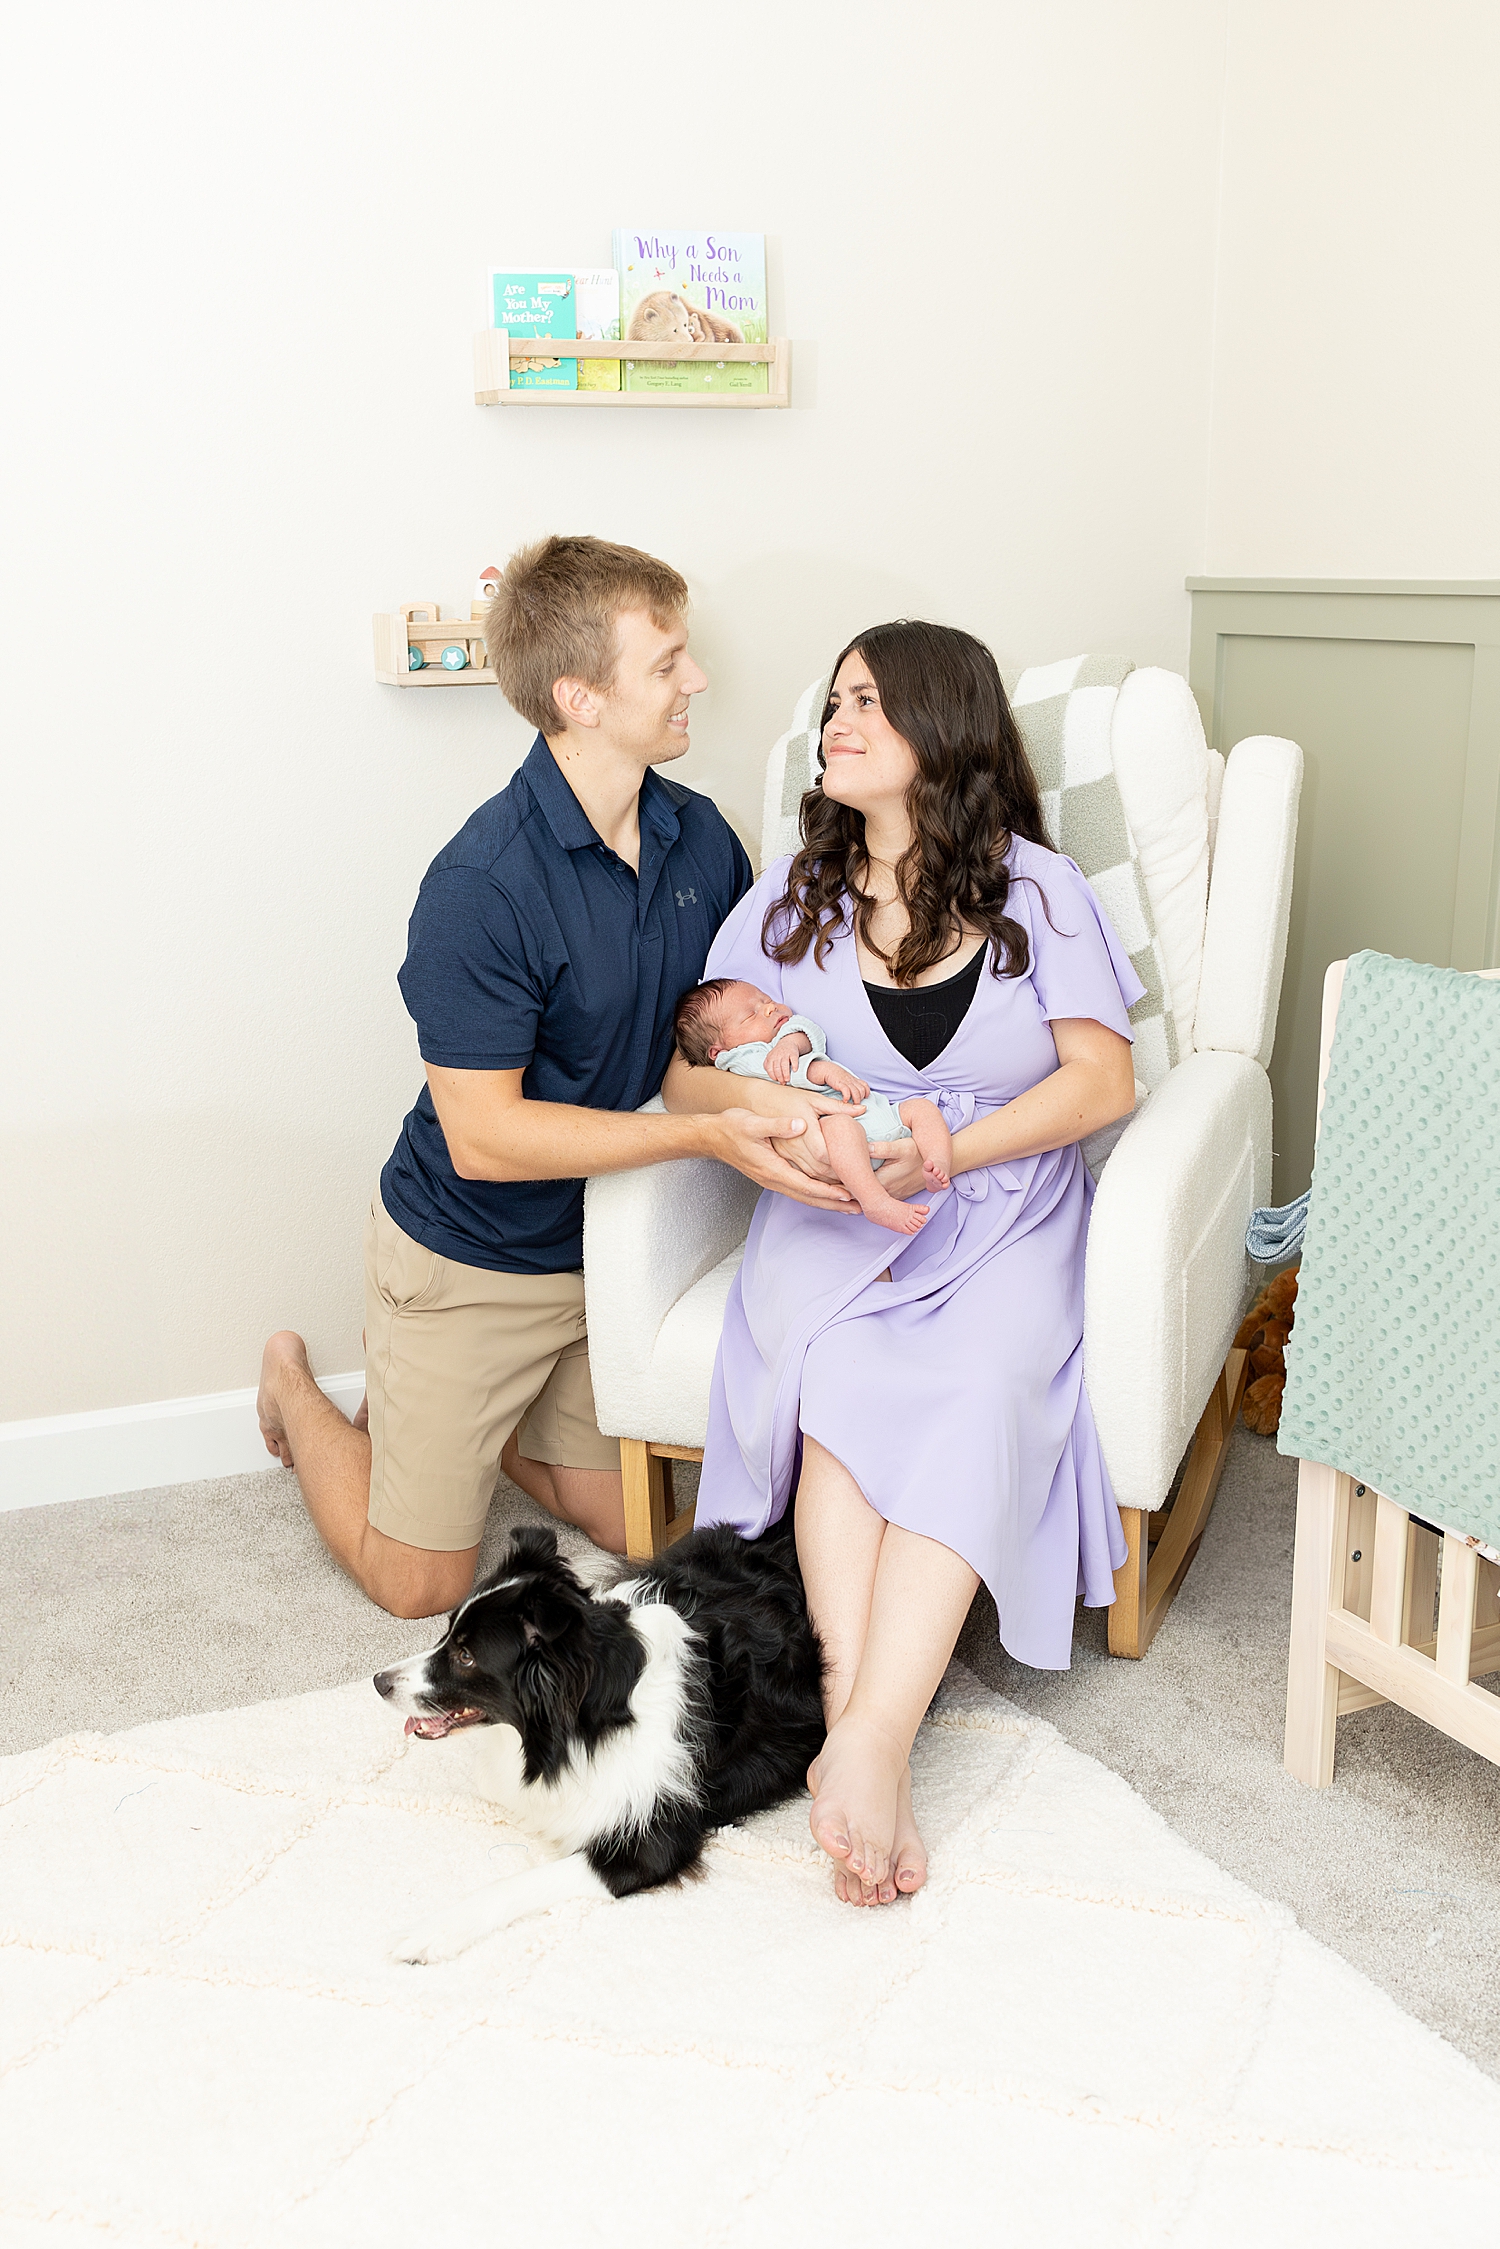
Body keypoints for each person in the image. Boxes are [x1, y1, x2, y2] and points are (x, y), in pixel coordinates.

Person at [256, 536, 865, 1621]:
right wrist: (706, 1139)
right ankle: (296, 1387)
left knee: (647, 1531)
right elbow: (486, 1139)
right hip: (469, 1255)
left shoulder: (699, 841)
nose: (700, 682)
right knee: (419, 1582)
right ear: (580, 697)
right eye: (669, 663)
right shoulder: (479, 889)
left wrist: (778, 1099)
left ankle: (496, 1427)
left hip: (602, 1252)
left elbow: (696, 1055)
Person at [663, 619, 1140, 1909]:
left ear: (944, 723)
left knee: (982, 1388)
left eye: (867, 701)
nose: (836, 722)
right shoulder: (787, 895)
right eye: (832, 702)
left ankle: (872, 1735)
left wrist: (955, 1153)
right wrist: (763, 1147)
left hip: (1001, 1209)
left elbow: (1104, 1079)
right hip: (840, 1217)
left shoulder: (1040, 891)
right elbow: (693, 1064)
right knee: (840, 1403)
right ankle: (850, 1711)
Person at [673, 977, 953, 1233]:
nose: (769, 1008)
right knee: (841, 1128)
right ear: (717, 1051)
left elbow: (807, 1030)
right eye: (751, 1014)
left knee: (921, 1109)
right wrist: (826, 1071)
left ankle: (936, 1162)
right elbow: (785, 1072)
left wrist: (791, 1044)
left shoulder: (782, 1041)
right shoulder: (737, 1059)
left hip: (879, 1116)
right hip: (843, 1137)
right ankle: (875, 1202)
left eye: (765, 1000)